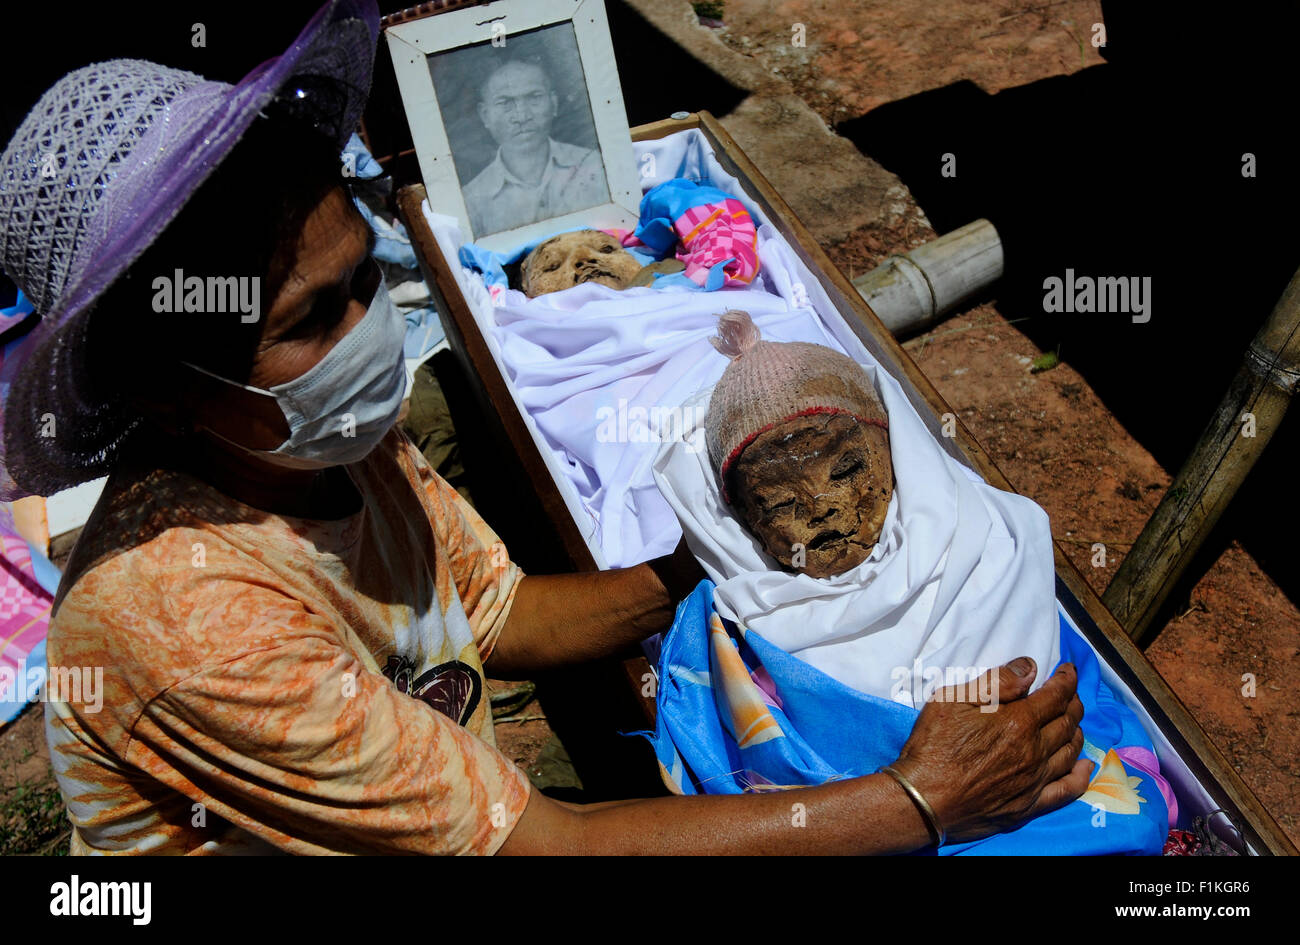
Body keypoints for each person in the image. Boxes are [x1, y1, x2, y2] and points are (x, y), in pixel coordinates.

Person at [0, 0, 1089, 855]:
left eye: (363, 281)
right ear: (166, 390)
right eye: (307, 322)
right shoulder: (191, 621)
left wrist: (737, 548)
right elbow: (552, 844)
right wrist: (916, 799)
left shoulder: (327, 444)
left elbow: (502, 614)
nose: (368, 333)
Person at [461, 57, 608, 237]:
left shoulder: (595, 165)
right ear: (485, 115)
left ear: (554, 103)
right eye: (505, 103)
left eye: (534, 98)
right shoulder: (472, 201)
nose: (522, 116)